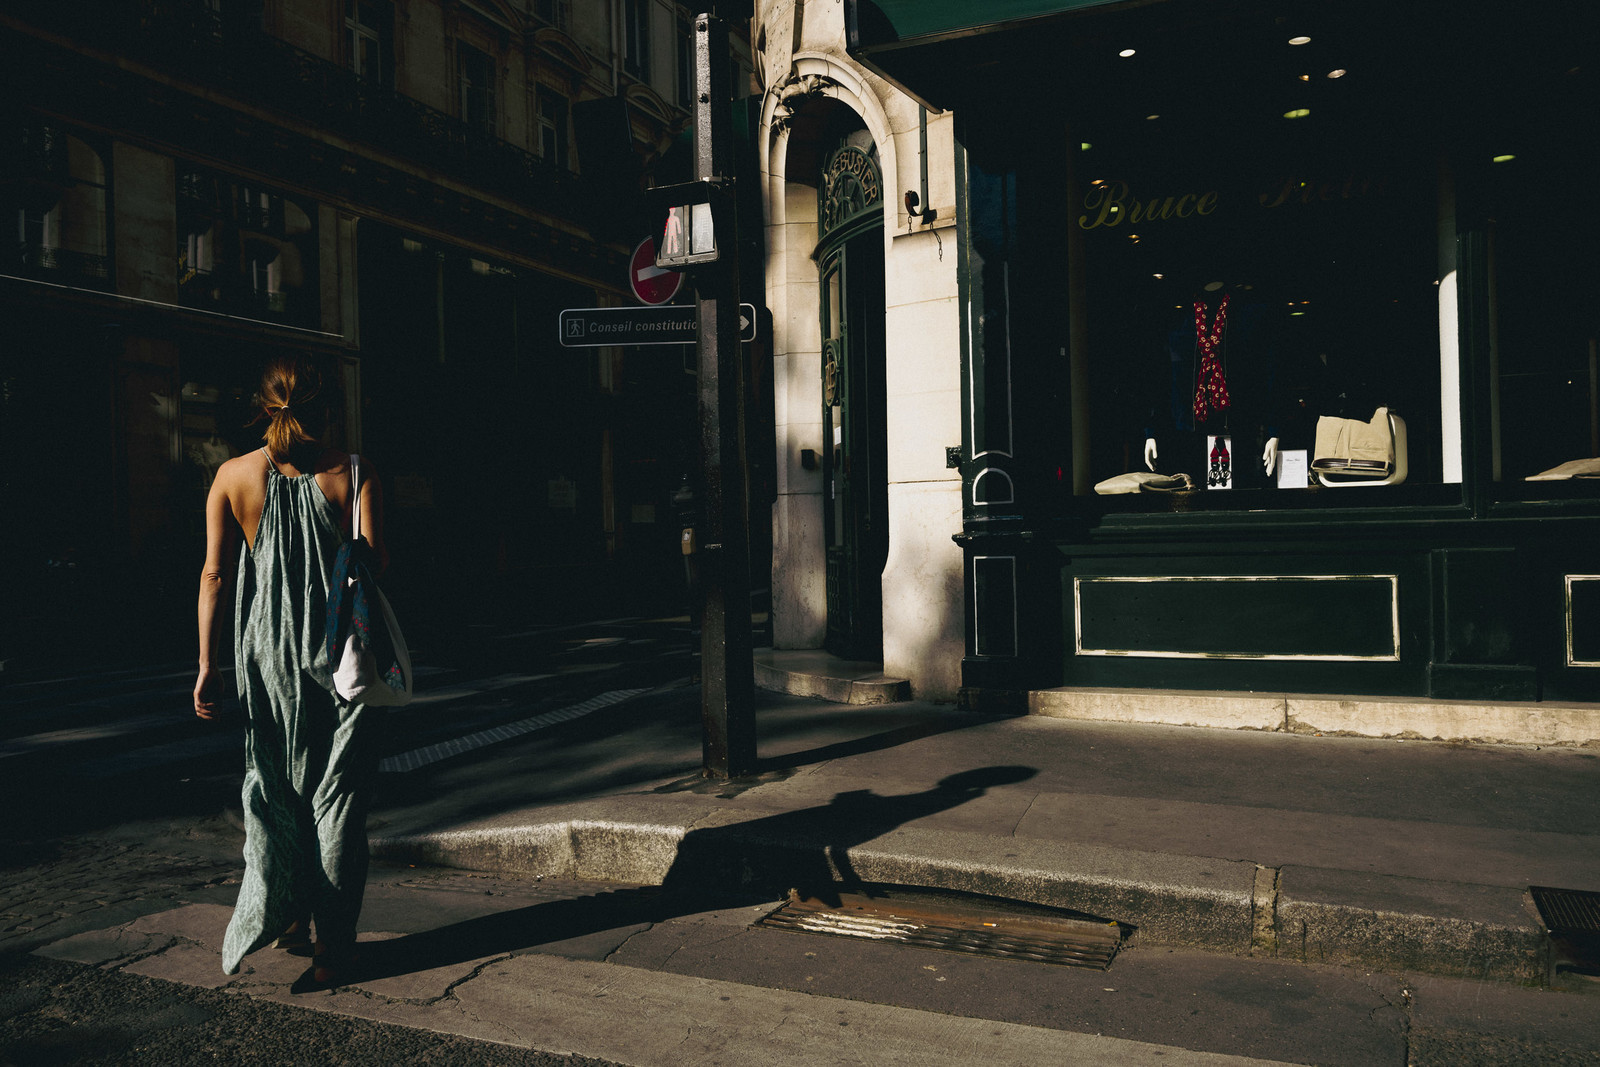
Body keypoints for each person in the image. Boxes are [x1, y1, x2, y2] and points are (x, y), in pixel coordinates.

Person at [193, 354, 386, 988]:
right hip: (341, 657)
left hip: (264, 656)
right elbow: (372, 563)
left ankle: (286, 916)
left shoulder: (232, 475)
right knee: (336, 797)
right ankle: (334, 946)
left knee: (276, 791)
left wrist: (207, 665)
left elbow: (216, 576)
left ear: (263, 405)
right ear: (325, 406)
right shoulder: (353, 472)